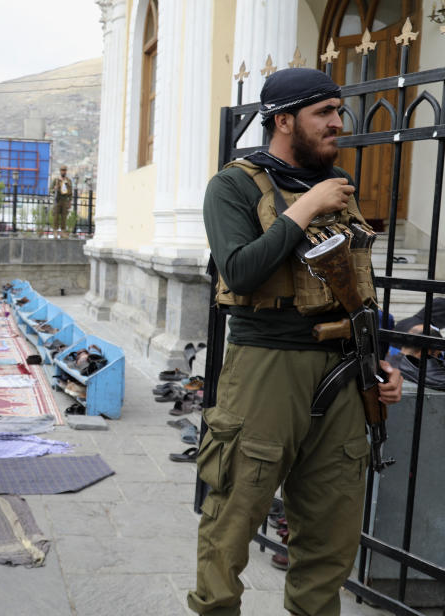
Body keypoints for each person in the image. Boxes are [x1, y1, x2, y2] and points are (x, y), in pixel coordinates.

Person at [190, 68, 403, 616]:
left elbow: (359, 285)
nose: (339, 123)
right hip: (267, 367)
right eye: (324, 113)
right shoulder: (233, 185)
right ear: (284, 120)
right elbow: (238, 271)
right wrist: (303, 209)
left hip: (344, 371)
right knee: (234, 517)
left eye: (338, 111)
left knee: (331, 533)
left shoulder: (338, 186)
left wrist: (383, 360)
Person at [50, 164, 73, 236]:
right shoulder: (56, 180)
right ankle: (55, 231)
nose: (63, 172)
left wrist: (70, 201)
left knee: (64, 216)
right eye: (62, 170)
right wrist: (54, 189)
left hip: (65, 200)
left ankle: (63, 231)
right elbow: (50, 190)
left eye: (65, 170)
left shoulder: (68, 181)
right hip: (58, 199)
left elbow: (70, 192)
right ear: (60, 171)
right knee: (56, 216)